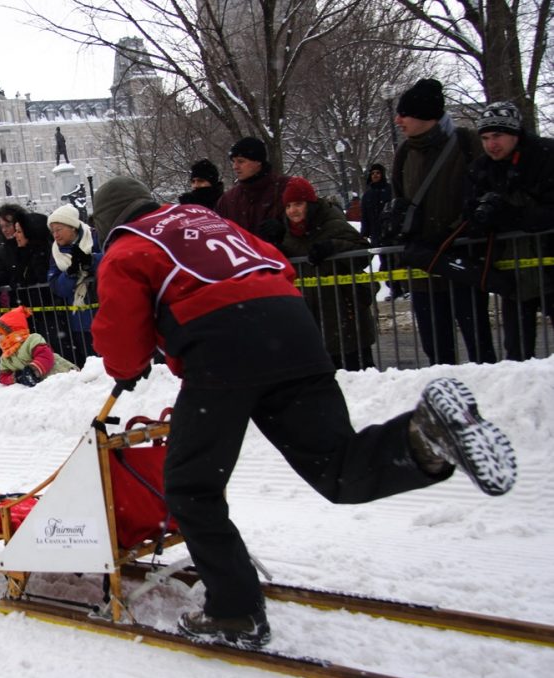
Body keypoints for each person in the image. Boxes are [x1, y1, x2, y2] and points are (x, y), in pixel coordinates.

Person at [89, 176, 517, 648]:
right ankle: (423, 438)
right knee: (335, 464)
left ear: (108, 222)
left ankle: (235, 613)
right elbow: (276, 263)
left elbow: (121, 331)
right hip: (292, 326)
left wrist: (126, 367)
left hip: (222, 344)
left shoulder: (127, 248)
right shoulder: (209, 219)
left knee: (191, 488)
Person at [390, 78, 496, 365]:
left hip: (463, 261)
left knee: (480, 347)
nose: (398, 120)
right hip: (425, 266)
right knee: (437, 352)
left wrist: (454, 233)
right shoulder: (404, 153)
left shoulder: (466, 143)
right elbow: (399, 195)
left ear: (426, 115)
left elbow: (485, 192)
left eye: (405, 113)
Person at [466, 101, 554, 361]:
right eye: (485, 138)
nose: (491, 144)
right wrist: (484, 219)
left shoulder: (545, 156)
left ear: (515, 134)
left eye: (497, 136)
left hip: (548, 263)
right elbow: (469, 216)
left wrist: (511, 214)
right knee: (516, 354)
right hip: (512, 274)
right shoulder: (481, 169)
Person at [277, 176, 375, 370]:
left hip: (345, 313)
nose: (292, 211)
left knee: (358, 373)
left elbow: (364, 253)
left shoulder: (332, 223)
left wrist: (333, 247)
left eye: (298, 204)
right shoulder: (288, 233)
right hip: (313, 316)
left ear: (310, 204)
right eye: (288, 206)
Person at [46, 202, 101, 366]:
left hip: (106, 312)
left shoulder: (95, 238)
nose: (55, 235)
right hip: (81, 321)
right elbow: (56, 286)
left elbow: (113, 260)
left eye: (59, 229)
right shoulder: (56, 253)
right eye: (53, 231)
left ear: (72, 227)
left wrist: (90, 261)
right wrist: (70, 274)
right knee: (93, 366)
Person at [214, 136, 291, 237]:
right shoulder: (227, 200)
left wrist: (285, 230)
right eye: (233, 161)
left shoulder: (287, 188)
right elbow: (217, 237)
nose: (235, 167)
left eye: (241, 161)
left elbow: (309, 227)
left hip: (277, 252)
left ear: (258, 161)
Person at [0, 305, 76, 386]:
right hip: (43, 386)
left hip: (60, 374)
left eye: (0, 334)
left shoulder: (32, 340)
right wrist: (17, 377)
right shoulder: (5, 357)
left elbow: (45, 356)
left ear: (12, 332)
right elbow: (3, 376)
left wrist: (32, 370)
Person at [359, 163, 402, 300]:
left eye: (378, 173)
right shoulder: (367, 195)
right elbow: (365, 216)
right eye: (373, 173)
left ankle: (401, 287)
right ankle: (394, 289)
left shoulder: (390, 190)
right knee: (386, 262)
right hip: (377, 235)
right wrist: (364, 234)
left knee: (398, 261)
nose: (375, 175)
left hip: (393, 233)